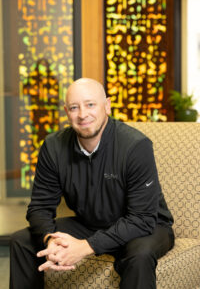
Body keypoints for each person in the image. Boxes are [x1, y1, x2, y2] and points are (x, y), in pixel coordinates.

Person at [10, 78, 174, 289]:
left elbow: (141, 218)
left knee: (139, 255)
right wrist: (50, 239)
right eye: (74, 107)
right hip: (90, 224)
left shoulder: (136, 146)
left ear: (107, 106)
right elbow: (40, 207)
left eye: (90, 105)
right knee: (21, 241)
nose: (82, 114)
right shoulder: (53, 147)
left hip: (146, 226)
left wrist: (86, 246)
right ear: (66, 111)